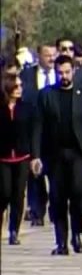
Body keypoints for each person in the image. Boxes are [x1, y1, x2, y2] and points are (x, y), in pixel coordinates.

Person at [30, 56, 82, 255]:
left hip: (79, 153)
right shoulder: (46, 95)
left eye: (67, 72)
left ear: (73, 71)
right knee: (58, 198)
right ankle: (61, 242)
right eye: (60, 73)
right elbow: (38, 126)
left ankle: (77, 234)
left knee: (77, 193)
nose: (64, 76)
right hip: (55, 154)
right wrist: (36, 155)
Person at [0, 74, 34, 245]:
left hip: (22, 156)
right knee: (4, 192)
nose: (20, 89)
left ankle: (14, 230)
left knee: (18, 194)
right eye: (16, 86)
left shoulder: (26, 108)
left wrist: (35, 155)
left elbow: (33, 132)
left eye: (21, 85)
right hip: (4, 156)